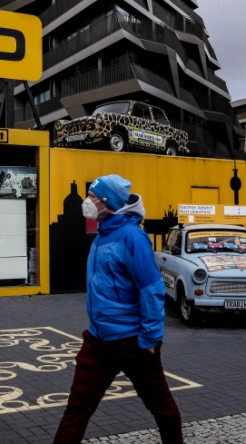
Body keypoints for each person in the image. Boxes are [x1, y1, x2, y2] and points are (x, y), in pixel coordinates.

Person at [53, 174, 183, 444]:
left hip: (132, 342)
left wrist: (150, 337)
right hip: (98, 341)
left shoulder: (132, 237)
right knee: (76, 411)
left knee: (160, 406)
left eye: (92, 196)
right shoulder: (103, 234)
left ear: (107, 202)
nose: (87, 201)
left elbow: (151, 287)